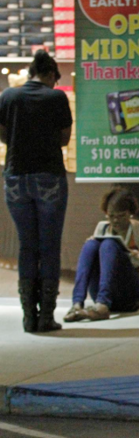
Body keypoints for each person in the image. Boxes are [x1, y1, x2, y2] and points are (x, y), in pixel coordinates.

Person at [0, 50, 72, 333]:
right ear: (52, 74)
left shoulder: (8, 97)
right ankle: (47, 316)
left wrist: (19, 140)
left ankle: (29, 316)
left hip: (16, 177)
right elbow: (65, 139)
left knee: (27, 245)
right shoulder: (57, 98)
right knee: (49, 246)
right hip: (49, 177)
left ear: (30, 72)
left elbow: (2, 133)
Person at [64, 188, 139, 322]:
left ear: (130, 213)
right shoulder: (102, 227)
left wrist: (133, 260)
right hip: (104, 292)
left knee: (109, 244)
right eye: (111, 216)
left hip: (131, 295)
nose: (115, 221)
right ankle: (77, 304)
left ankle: (102, 305)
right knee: (90, 245)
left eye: (121, 216)